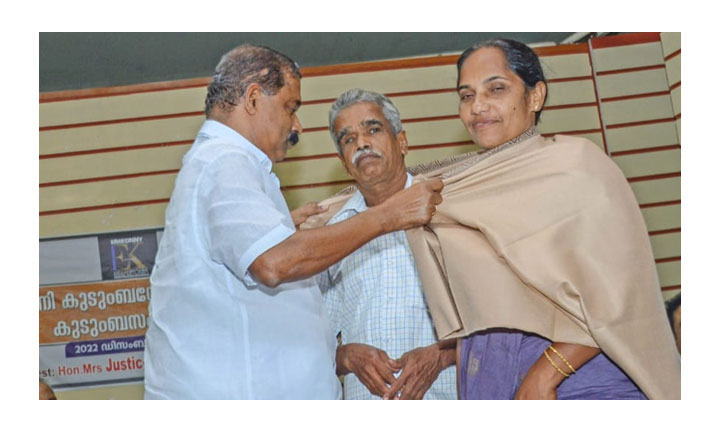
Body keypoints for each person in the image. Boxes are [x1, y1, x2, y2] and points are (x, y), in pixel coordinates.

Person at [143, 44, 443, 399]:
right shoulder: (223, 163)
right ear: (253, 99)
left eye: (373, 130)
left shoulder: (234, 168)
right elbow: (274, 263)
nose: (297, 124)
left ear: (402, 141)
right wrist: (389, 216)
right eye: (291, 107)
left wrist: (281, 230)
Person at [399, 39, 679, 399]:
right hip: (495, 381)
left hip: (577, 384)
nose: (478, 107)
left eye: (496, 89)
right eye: (466, 96)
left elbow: (619, 295)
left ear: (535, 96)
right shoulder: (459, 188)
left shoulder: (578, 168)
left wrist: (547, 373)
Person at [315, 89, 457, 400]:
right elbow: (309, 343)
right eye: (348, 139)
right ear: (342, 162)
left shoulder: (451, 211)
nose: (361, 143)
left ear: (402, 141)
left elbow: (501, 325)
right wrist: (347, 356)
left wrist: (442, 355)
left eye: (373, 130)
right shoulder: (330, 235)